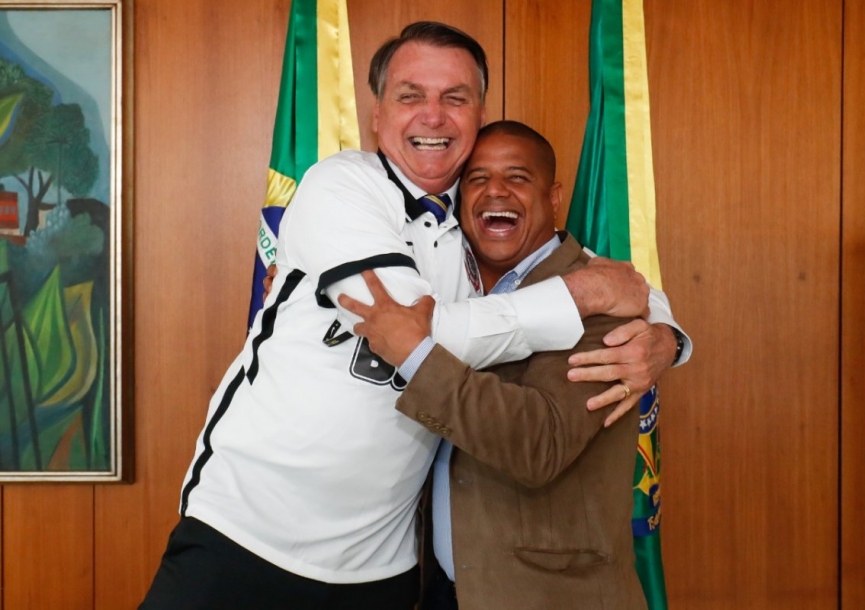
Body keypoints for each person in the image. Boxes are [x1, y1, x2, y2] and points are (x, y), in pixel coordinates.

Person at [141, 22, 686, 610]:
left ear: (477, 116)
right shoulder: (342, 186)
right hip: (247, 530)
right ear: (378, 114)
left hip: (386, 562)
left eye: (455, 98)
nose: (433, 115)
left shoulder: (482, 226)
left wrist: (664, 335)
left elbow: (601, 277)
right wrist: (577, 299)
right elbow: (413, 334)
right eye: (410, 96)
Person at [341, 120, 650, 610]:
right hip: (440, 587)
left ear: (555, 197)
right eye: (478, 179)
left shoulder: (600, 298)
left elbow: (539, 443)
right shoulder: (442, 282)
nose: (495, 191)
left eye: (517, 177)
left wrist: (417, 355)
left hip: (552, 597)